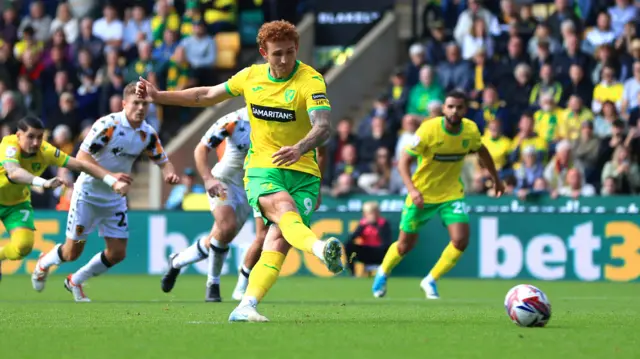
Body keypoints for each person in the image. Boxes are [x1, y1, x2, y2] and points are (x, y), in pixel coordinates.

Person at [136, 20, 342, 322]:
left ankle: (247, 305)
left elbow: (323, 126)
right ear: (263, 52)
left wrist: (299, 147)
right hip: (262, 168)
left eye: (289, 52)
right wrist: (159, 96)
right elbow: (205, 95)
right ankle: (320, 248)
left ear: (297, 49)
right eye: (277, 54)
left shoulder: (311, 81)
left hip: (304, 172)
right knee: (284, 211)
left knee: (279, 241)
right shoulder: (250, 77)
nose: (284, 60)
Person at [32, 83, 180, 302]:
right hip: (88, 194)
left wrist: (169, 173)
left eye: (145, 103)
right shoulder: (108, 126)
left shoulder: (147, 134)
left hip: (114, 198)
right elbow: (81, 159)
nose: (140, 108)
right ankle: (44, 263)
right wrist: (111, 178)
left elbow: (162, 159)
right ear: (124, 104)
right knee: (72, 253)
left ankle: (76, 280)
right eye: (136, 103)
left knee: (118, 253)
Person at [371, 91, 504, 299]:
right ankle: (383, 272)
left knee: (461, 240)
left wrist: (496, 178)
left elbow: (482, 150)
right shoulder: (429, 130)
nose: (454, 111)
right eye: (450, 106)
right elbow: (403, 161)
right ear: (444, 109)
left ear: (465, 110)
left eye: (459, 107)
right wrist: (412, 190)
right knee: (405, 245)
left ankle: (431, 279)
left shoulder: (470, 130)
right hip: (422, 193)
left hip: (451, 194)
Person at [0, 116, 131, 278]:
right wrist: (44, 183)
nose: (35, 142)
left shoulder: (45, 151)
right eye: (30, 137)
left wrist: (111, 179)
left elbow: (80, 165)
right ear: (19, 135)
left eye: (39, 137)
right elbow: (14, 172)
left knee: (23, 246)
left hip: (16, 204)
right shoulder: (9, 144)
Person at [160, 107, 267, 302]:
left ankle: (177, 261)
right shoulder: (234, 120)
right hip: (224, 180)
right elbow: (201, 148)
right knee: (226, 227)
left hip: (251, 186)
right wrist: (208, 179)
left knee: (219, 238)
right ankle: (213, 284)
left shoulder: (277, 120)